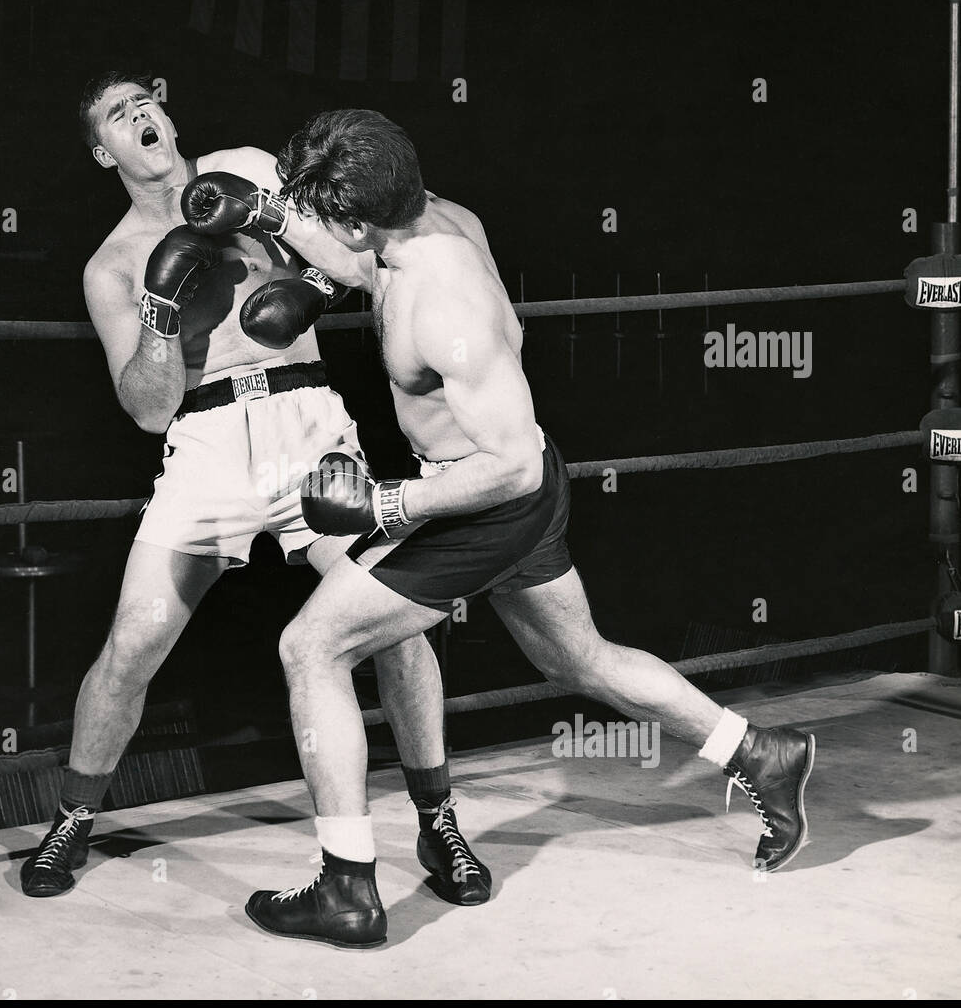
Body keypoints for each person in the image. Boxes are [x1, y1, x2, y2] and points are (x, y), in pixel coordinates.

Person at [243, 108, 816, 948]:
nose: (316, 236)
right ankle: (761, 752)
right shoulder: (433, 223)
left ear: (361, 218)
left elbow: (504, 466)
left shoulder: (444, 305)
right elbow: (357, 261)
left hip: (489, 497)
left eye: (323, 220)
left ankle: (346, 888)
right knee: (579, 658)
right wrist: (269, 217)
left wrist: (386, 506)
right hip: (519, 483)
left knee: (313, 647)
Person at [20, 75, 491, 908]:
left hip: (307, 420)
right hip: (203, 444)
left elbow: (356, 244)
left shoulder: (247, 165)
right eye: (119, 117)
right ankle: (72, 817)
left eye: (147, 102)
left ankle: (438, 817)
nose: (142, 117)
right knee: (132, 644)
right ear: (105, 152)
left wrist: (297, 261)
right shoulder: (113, 266)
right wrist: (164, 314)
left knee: (394, 622)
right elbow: (146, 411)